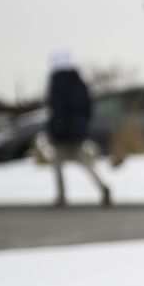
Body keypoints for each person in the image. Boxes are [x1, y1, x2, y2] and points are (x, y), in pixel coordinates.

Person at [46, 51, 111, 207]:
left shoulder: (57, 81)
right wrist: (83, 125)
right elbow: (87, 106)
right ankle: (103, 187)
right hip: (78, 129)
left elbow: (56, 107)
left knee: (57, 163)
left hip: (62, 130)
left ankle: (61, 196)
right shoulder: (79, 82)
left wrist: (55, 127)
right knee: (83, 161)